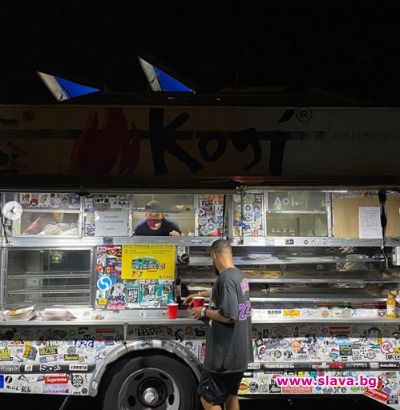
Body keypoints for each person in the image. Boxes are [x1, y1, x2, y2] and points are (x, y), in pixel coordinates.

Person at [185, 239, 253, 410]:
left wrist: (204, 311)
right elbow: (223, 290)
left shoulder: (225, 278)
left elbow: (229, 315)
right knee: (231, 395)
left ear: (214, 255)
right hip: (238, 354)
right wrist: (200, 294)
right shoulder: (240, 276)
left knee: (208, 399)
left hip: (223, 356)